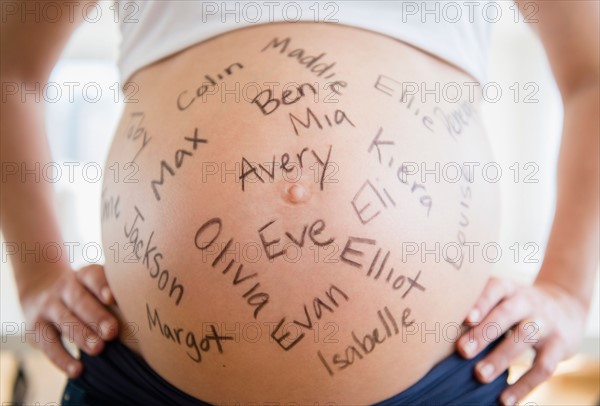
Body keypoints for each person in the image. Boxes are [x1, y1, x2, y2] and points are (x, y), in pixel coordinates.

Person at [1, 1, 598, 405]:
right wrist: (36, 275)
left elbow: (591, 74)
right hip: (141, 379)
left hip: (438, 377)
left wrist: (569, 290)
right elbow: (11, 70)